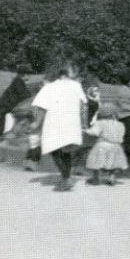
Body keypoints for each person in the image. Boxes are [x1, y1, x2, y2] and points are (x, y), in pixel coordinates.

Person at [28, 61, 88, 192]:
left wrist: (37, 122)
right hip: (71, 124)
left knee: (55, 151)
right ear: (65, 74)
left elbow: (40, 107)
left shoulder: (49, 87)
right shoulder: (77, 86)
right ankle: (66, 176)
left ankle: (66, 178)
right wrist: (84, 123)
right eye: (73, 72)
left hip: (54, 124)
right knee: (65, 151)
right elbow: (84, 106)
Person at [85, 103, 129, 186]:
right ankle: (112, 177)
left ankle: (96, 178)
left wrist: (86, 130)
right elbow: (121, 135)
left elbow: (94, 132)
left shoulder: (100, 123)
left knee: (96, 161)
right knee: (113, 162)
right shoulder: (121, 125)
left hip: (102, 144)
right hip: (116, 146)